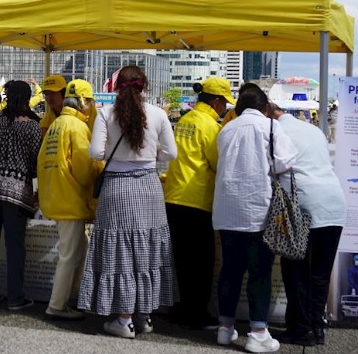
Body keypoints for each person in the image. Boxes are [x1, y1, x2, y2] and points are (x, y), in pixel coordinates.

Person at [78, 65, 178, 339]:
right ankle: (144, 316)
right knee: (147, 248)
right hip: (149, 186)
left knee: (120, 251)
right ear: (144, 86)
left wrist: (118, 154)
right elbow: (172, 153)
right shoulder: (158, 114)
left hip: (118, 187)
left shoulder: (106, 113)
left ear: (115, 86)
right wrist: (150, 155)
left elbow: (95, 152)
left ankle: (124, 319)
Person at [213, 86, 296, 353]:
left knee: (230, 270)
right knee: (259, 272)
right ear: (264, 107)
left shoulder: (227, 129)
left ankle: (225, 328)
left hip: (227, 211)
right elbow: (285, 163)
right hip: (258, 210)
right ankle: (258, 333)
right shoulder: (271, 127)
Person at [270, 103, 346, 347]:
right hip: (334, 204)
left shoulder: (275, 130)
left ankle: (300, 329)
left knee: (295, 270)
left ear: (269, 114)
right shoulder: (313, 130)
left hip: (302, 206)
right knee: (320, 273)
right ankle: (317, 327)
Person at [164, 77, 235, 330]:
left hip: (173, 197)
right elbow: (218, 163)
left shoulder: (184, 120)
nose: (225, 107)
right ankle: (196, 314)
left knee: (181, 260)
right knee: (202, 262)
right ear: (216, 101)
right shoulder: (210, 127)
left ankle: (181, 308)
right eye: (224, 103)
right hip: (197, 200)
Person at [0, 80, 43, 311]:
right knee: (15, 245)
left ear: (5, 96)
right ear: (27, 99)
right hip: (16, 191)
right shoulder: (32, 127)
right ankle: (15, 297)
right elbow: (36, 162)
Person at [37, 81, 101, 320]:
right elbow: (84, 170)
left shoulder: (57, 124)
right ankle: (57, 306)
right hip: (70, 199)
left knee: (78, 250)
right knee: (68, 255)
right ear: (83, 101)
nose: (91, 106)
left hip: (57, 196)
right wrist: (100, 168)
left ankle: (70, 298)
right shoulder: (77, 127)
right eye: (90, 101)